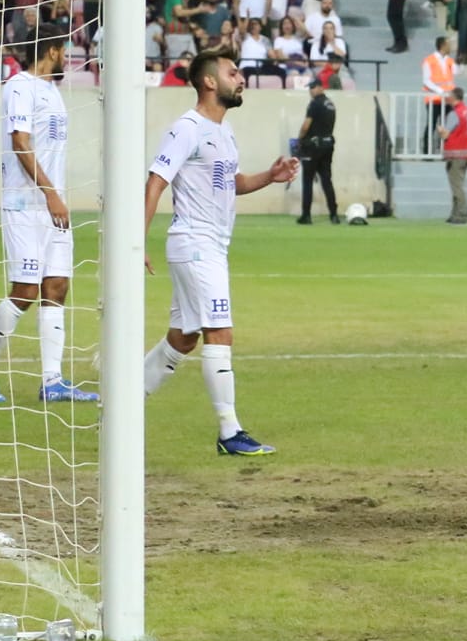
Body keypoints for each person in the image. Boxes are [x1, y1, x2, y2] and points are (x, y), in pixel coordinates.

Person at [141, 49, 300, 456]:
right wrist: (137, 241)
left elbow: (232, 184)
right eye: (233, 73)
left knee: (182, 339)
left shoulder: (223, 132)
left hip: (209, 245)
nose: (241, 78)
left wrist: (271, 175)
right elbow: (156, 181)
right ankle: (230, 431)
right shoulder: (187, 129)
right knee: (219, 330)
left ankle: (122, 401)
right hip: (195, 243)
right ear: (210, 82)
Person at [0, 33, 100, 405]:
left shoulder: (53, 92)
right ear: (52, 51)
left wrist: (55, 196)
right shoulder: (19, 86)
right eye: (65, 53)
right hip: (26, 204)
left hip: (52, 205)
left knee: (56, 287)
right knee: (26, 290)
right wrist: (51, 193)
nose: (67, 60)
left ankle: (52, 380)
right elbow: (20, 142)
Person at [295, 77, 338, 224]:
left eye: (313, 87)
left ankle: (306, 215)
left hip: (313, 147)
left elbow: (306, 125)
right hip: (328, 145)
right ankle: (334, 214)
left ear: (321, 87)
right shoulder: (330, 104)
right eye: (310, 88)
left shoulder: (315, 104)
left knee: (307, 181)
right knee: (326, 180)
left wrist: (300, 139)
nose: (311, 91)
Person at [439, 84, 467, 224]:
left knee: (456, 186)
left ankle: (462, 214)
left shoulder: (454, 113)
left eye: (449, 95)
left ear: (454, 97)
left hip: (456, 153)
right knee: (457, 184)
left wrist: (440, 130)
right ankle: (455, 214)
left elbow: (446, 133)